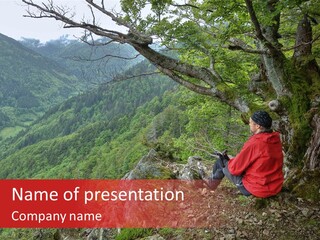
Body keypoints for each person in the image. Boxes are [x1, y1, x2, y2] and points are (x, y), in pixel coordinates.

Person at [204, 110, 284, 198]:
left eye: (250, 123)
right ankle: (210, 185)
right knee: (227, 161)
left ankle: (209, 186)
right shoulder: (276, 139)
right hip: (274, 186)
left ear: (257, 126)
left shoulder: (255, 143)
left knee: (221, 162)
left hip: (257, 188)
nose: (249, 124)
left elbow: (234, 169)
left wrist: (229, 160)